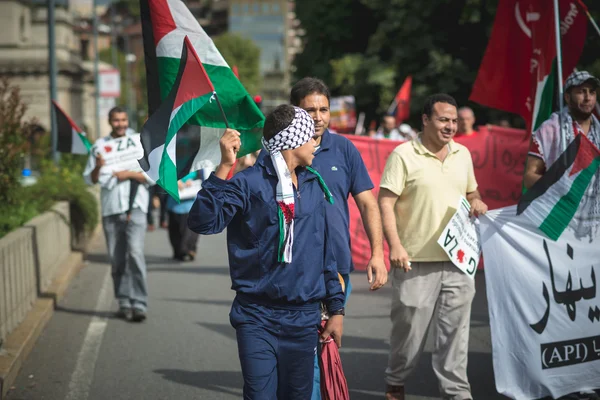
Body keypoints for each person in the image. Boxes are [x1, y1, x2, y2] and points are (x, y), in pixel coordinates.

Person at [188, 105, 345, 399]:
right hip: (256, 317)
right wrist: (224, 167)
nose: (315, 143)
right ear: (292, 140)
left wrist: (336, 309)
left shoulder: (313, 183)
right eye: (310, 137)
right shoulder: (248, 183)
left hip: (303, 319)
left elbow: (325, 251)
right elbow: (203, 222)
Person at [378, 94, 488, 400]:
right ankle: (395, 382)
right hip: (413, 262)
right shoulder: (403, 155)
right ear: (425, 120)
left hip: (458, 260)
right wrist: (395, 246)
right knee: (409, 335)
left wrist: (477, 200)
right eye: (443, 119)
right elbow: (385, 202)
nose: (450, 126)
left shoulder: (462, 154)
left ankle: (456, 393)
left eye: (453, 120)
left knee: (455, 335)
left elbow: (472, 190)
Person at [83, 107, 152, 322]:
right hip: (112, 209)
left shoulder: (140, 142)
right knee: (117, 258)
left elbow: (152, 176)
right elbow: (90, 179)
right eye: (116, 120)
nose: (120, 124)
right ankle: (123, 302)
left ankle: (139, 303)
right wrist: (98, 166)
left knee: (135, 254)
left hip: (137, 208)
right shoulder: (100, 147)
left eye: (123, 120)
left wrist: (128, 174)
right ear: (110, 121)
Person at [524, 70, 600, 241]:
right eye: (581, 92)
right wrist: (559, 184)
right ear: (567, 97)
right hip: (559, 219)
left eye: (592, 92)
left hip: (595, 227)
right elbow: (529, 177)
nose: (588, 98)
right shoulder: (550, 130)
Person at [166, 170, 201, 261]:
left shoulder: (197, 162)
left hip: (191, 203)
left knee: (189, 231)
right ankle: (178, 251)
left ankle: (189, 250)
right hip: (174, 202)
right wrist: (173, 181)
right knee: (175, 229)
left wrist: (192, 182)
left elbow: (204, 179)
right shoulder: (170, 160)